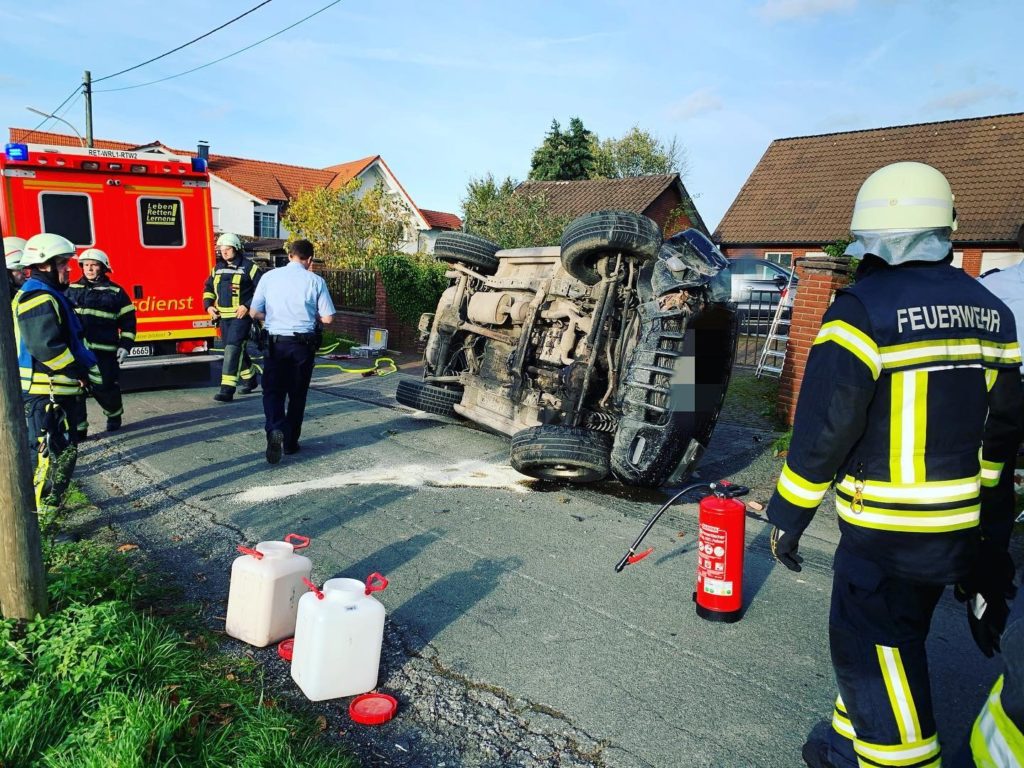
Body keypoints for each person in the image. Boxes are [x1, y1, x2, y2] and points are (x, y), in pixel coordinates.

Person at [765, 162, 1023, 768]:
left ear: (873, 237)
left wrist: (787, 516)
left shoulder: (862, 311)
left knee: (872, 653)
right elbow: (1003, 438)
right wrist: (986, 539)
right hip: (955, 534)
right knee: (890, 641)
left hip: (884, 535)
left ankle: (898, 757)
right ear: (945, 229)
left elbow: (825, 430)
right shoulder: (995, 313)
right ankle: (838, 747)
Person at [15, 233, 102, 506]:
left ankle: (49, 513)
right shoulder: (37, 296)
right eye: (63, 263)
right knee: (47, 460)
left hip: (54, 392)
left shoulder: (49, 294)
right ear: (44, 265)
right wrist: (77, 371)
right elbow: (47, 347)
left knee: (61, 456)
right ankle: (44, 521)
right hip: (45, 394)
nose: (69, 268)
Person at [249, 239, 335, 464]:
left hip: (275, 343)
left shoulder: (268, 277)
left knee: (273, 391)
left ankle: (275, 428)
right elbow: (327, 318)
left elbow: (254, 312)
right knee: (297, 394)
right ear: (309, 259)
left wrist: (275, 317)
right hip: (302, 346)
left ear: (289, 256)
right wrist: (310, 315)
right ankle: (290, 442)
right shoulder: (316, 281)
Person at [66, 248, 137, 432]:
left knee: (105, 387)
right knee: (76, 391)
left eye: (94, 265)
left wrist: (125, 346)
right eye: (86, 265)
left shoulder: (116, 292)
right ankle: (79, 429)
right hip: (78, 351)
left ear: (103, 268)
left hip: (104, 352)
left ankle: (114, 416)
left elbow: (128, 322)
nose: (89, 269)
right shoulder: (71, 290)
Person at [203, 232, 261, 402]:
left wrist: (247, 305)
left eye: (227, 249)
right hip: (223, 318)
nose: (224, 253)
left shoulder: (250, 267)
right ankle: (251, 380)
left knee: (232, 349)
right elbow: (208, 288)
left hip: (241, 317)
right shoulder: (217, 268)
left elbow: (262, 290)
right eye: (221, 250)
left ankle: (227, 389)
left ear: (236, 248)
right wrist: (209, 307)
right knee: (235, 349)